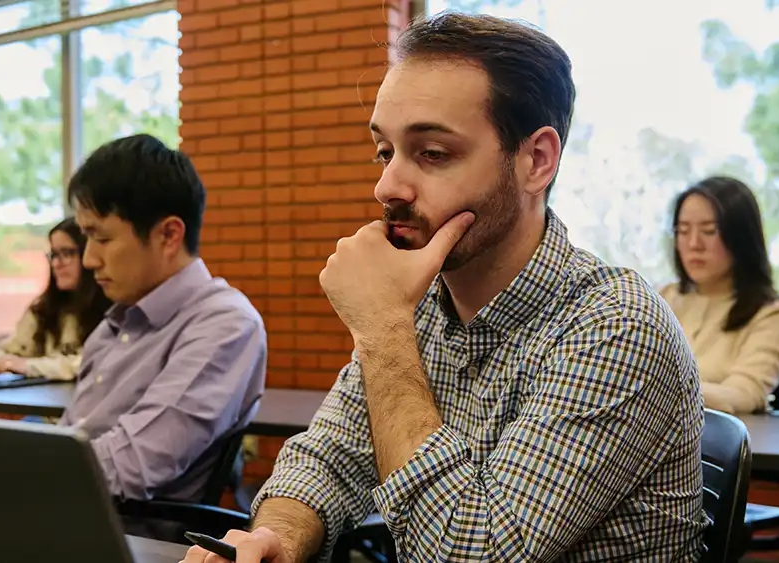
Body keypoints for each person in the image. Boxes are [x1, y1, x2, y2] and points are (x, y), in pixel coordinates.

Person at [186, 13, 707, 563]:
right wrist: (277, 538)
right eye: (385, 152)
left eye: (432, 154)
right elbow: (328, 458)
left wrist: (384, 329)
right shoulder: (426, 306)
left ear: (536, 161)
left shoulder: (616, 323)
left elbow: (469, 555)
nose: (387, 186)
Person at [60, 134, 267, 502]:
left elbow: (132, 467)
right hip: (65, 513)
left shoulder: (224, 324)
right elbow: (71, 438)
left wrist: (24, 475)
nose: (89, 259)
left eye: (102, 239)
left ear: (169, 235)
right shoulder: (116, 323)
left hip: (132, 538)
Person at [660, 176, 779, 414]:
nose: (694, 243)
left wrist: (653, 389)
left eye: (709, 231)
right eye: (683, 231)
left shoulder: (774, 314)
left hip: (716, 447)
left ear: (742, 237)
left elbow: (744, 396)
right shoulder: (662, 298)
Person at [0, 218, 112, 380]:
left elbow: (87, 364)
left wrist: (28, 366)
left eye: (67, 253)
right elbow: (14, 351)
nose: (57, 263)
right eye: (54, 254)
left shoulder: (112, 312)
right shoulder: (45, 308)